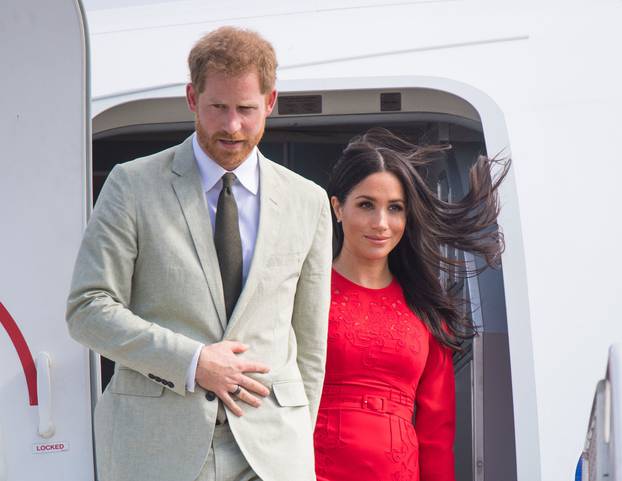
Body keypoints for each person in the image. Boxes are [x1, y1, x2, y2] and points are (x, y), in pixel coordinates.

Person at [66, 27, 332, 481]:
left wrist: (292, 436)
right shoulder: (132, 185)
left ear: (270, 103)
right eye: (218, 108)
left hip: (271, 455)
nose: (232, 126)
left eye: (246, 109)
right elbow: (88, 310)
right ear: (192, 98)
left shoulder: (308, 201)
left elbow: (310, 346)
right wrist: (193, 363)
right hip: (156, 449)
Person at [313, 128, 508, 481]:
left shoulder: (427, 309)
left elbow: (436, 436)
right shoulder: (305, 293)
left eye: (395, 209)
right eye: (366, 205)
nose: (381, 224)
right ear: (338, 207)